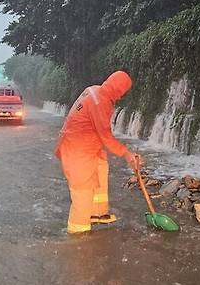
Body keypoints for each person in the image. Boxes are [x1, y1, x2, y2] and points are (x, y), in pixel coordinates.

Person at [55, 70, 143, 234]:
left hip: (87, 144)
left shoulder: (95, 89)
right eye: (122, 92)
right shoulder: (100, 103)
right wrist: (127, 154)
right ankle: (78, 233)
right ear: (119, 90)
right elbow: (106, 137)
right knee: (82, 190)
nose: (121, 96)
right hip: (77, 149)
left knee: (101, 169)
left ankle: (96, 213)